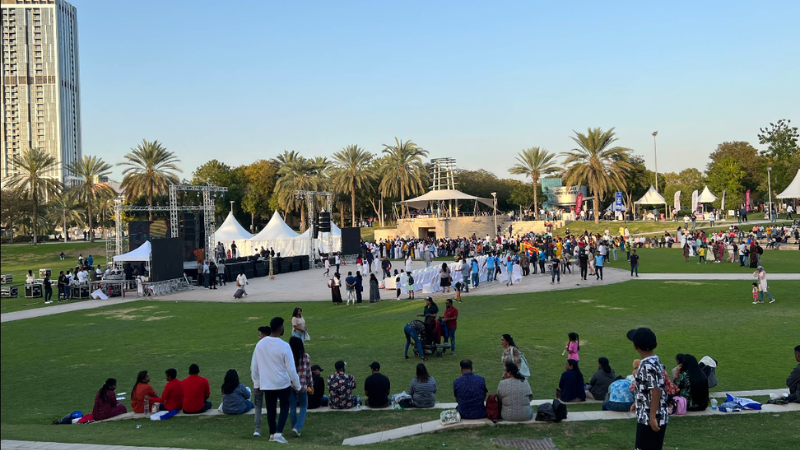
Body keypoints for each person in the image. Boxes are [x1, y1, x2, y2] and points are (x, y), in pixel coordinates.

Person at [251, 317, 301, 443]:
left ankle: (272, 433)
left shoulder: (260, 344)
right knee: (284, 406)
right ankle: (278, 432)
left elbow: (254, 366)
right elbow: (291, 369)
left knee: (270, 409)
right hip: (282, 383)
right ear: (280, 328)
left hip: (267, 383)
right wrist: (297, 385)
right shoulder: (284, 346)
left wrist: (256, 382)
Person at [628, 327, 668, 450]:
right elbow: (649, 386)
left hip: (649, 418)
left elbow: (655, 390)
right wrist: (638, 400)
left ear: (635, 346)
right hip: (657, 414)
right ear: (655, 344)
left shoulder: (645, 365)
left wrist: (652, 417)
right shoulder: (655, 360)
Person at [288, 336, 312, 437]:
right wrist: (310, 384)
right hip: (302, 385)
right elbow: (308, 373)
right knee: (303, 407)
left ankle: (294, 426)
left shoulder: (288, 357)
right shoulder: (306, 357)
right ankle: (298, 427)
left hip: (290, 385)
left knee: (292, 407)